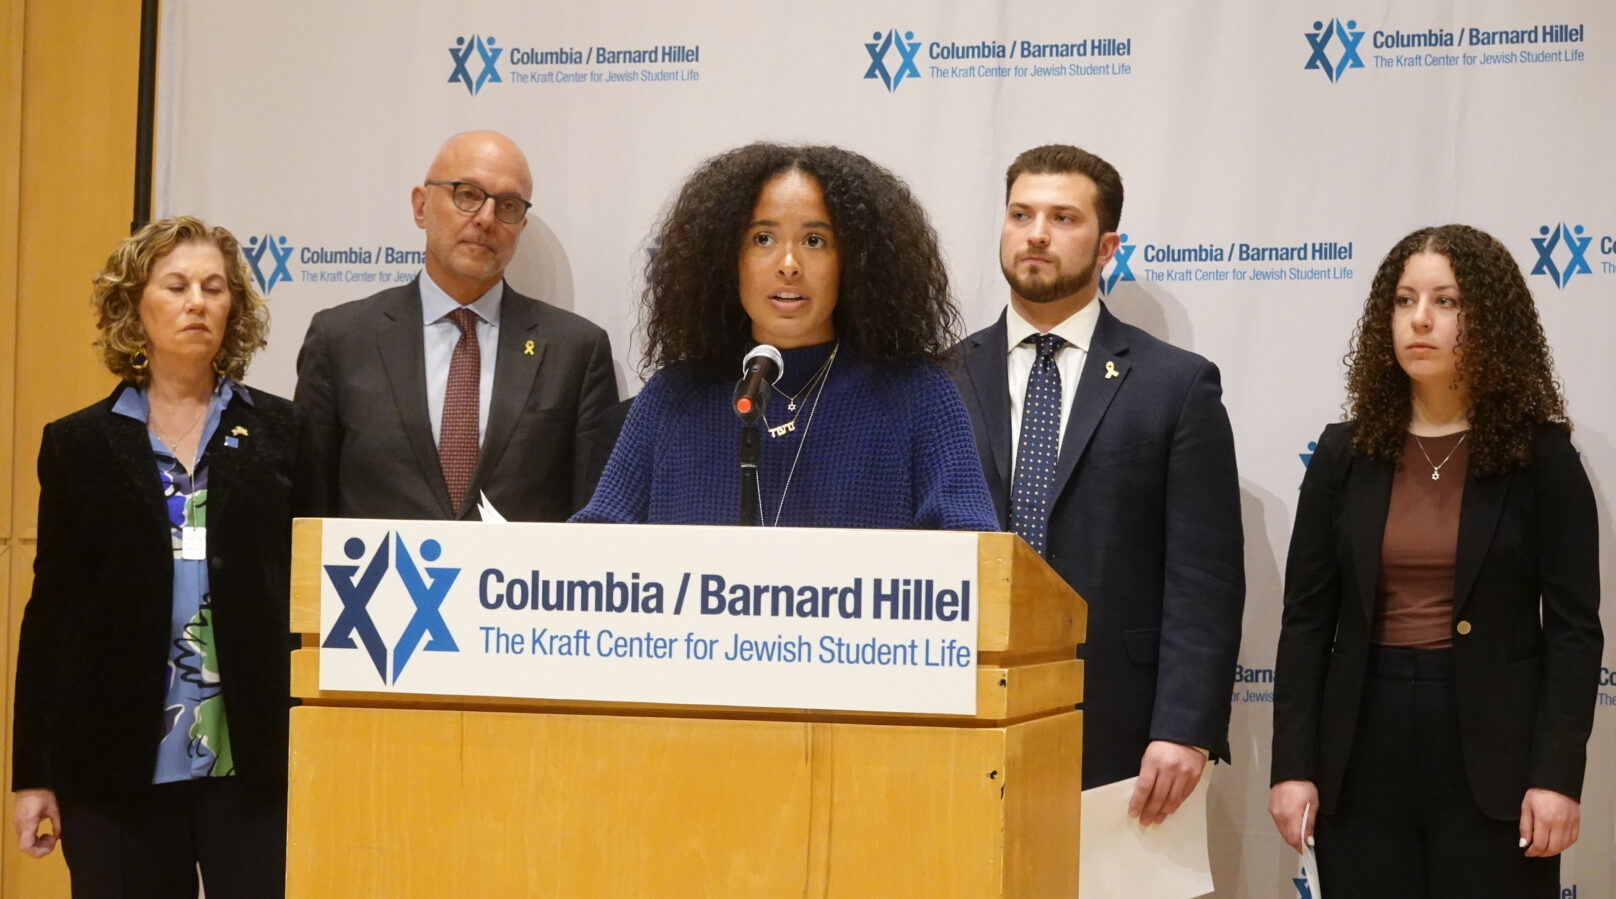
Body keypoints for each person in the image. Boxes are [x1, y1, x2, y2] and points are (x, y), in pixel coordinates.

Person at [1268, 224, 1601, 897]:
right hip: (1363, 747)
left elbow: (1573, 630)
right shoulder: (1344, 453)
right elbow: (1306, 622)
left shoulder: (1543, 458)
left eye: (1446, 301)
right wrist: (1292, 765)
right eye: (1403, 299)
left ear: (1490, 319)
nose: (1419, 319)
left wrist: (1557, 774)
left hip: (1495, 756)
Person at [11, 216, 304, 896]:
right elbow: (51, 619)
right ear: (133, 307)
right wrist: (32, 774)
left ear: (234, 308)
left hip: (254, 763)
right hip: (116, 768)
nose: (197, 301)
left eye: (213, 287)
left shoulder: (285, 433)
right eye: (175, 286)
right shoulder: (78, 445)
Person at [951, 145, 1244, 822]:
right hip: (965, 713)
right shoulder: (940, 380)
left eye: (1063, 217)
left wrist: (1186, 726)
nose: (1036, 233)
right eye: (1021, 213)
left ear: (1107, 243)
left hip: (1121, 729)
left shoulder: (1175, 385)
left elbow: (1205, 577)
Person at [574, 142, 995, 530]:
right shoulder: (674, 396)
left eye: (814, 241)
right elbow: (595, 548)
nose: (789, 264)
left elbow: (977, 558)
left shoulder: (918, 396)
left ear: (853, 262)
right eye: (763, 239)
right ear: (726, 258)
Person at [295, 130, 617, 521]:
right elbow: (308, 509)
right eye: (467, 194)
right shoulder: (341, 340)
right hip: (376, 579)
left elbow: (594, 521)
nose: (486, 219)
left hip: (515, 581)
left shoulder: (576, 352)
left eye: (508, 205)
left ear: (521, 226)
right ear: (421, 206)